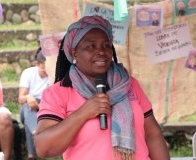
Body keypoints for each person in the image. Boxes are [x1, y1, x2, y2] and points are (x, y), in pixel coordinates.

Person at [34, 15, 170, 160]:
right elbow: (44, 148)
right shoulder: (58, 93)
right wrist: (82, 113)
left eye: (106, 45)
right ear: (74, 53)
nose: (101, 51)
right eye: (90, 46)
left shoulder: (129, 84)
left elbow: (152, 134)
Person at [18, 48, 49, 160]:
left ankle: (31, 155)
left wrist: (40, 106)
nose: (46, 70)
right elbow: (20, 98)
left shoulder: (53, 75)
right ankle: (36, 132)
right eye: (44, 68)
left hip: (45, 110)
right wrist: (28, 97)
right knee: (28, 107)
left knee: (28, 122)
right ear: (38, 64)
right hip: (28, 109)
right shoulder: (28, 73)